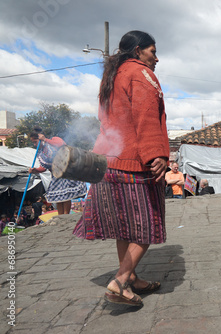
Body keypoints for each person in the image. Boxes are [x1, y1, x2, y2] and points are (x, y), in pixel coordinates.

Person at [73, 30, 170, 306]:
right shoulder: (141, 73)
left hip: (108, 162)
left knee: (126, 229)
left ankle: (133, 278)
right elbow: (146, 116)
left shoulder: (111, 76)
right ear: (138, 51)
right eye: (153, 51)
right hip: (133, 164)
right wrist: (157, 155)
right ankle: (119, 281)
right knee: (147, 227)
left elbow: (106, 120)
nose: (156, 58)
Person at [28, 129, 87, 215]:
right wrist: (35, 170)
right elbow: (44, 167)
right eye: (33, 143)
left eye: (35, 142)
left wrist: (45, 140)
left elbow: (61, 144)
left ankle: (66, 215)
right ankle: (60, 216)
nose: (34, 145)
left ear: (40, 138)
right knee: (58, 197)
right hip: (55, 175)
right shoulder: (40, 153)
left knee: (66, 195)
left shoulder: (53, 140)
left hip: (65, 171)